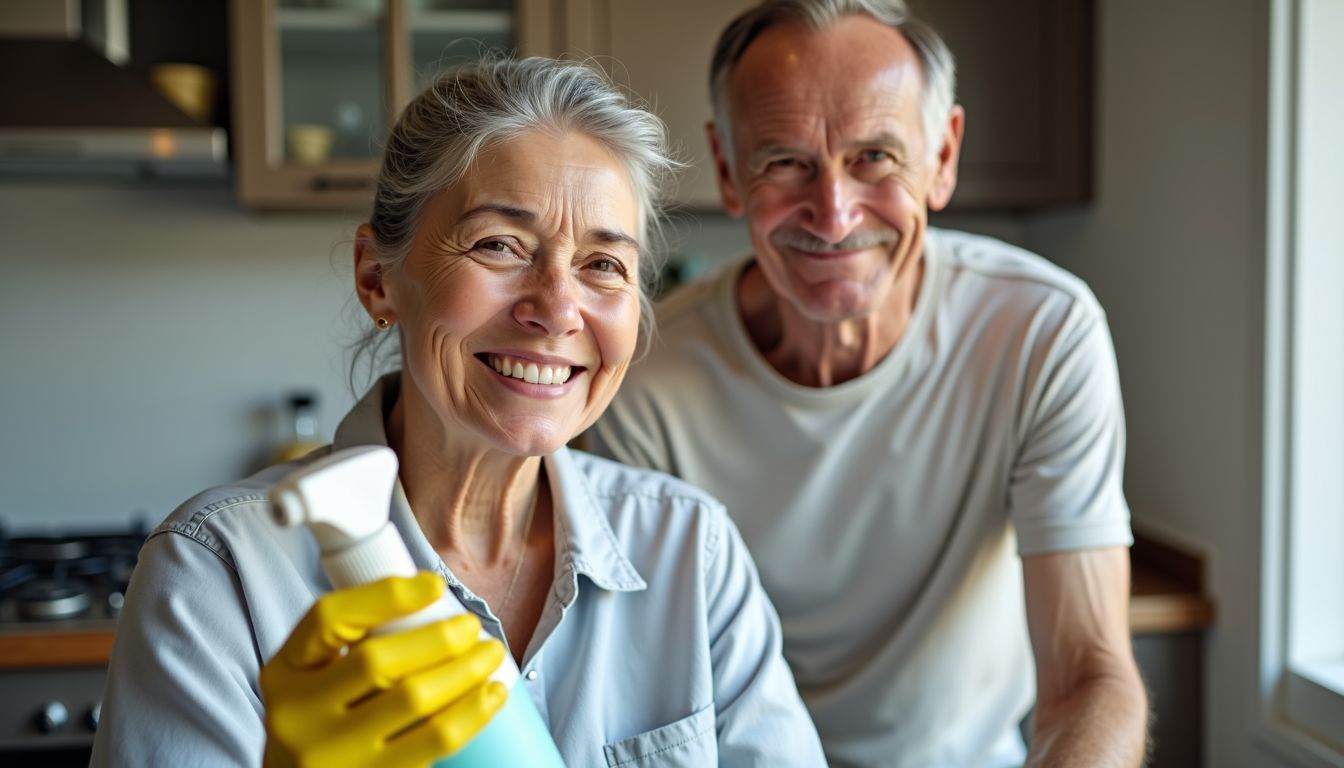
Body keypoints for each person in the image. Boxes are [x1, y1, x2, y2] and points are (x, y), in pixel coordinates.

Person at [90, 56, 825, 767]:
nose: (557, 309)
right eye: (499, 245)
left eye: (603, 265)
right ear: (377, 279)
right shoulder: (220, 575)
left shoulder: (690, 552)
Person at [587, 1, 1149, 765]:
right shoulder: (644, 380)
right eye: (785, 162)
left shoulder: (1039, 331)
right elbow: (647, 684)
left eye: (875, 157)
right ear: (726, 170)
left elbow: (1091, 674)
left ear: (942, 156)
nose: (834, 214)